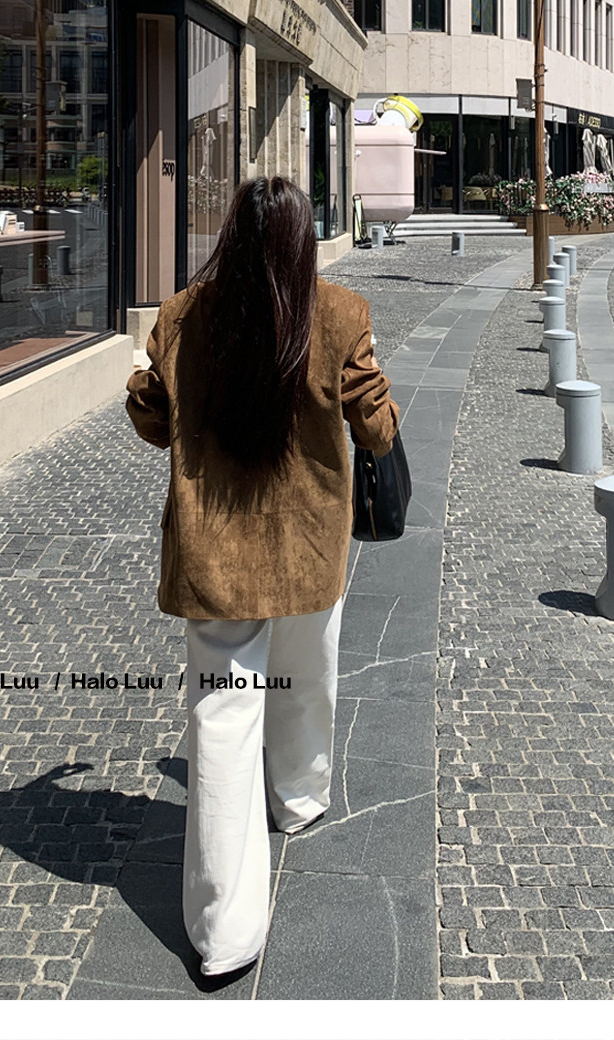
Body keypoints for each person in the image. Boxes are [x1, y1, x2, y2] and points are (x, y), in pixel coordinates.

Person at [125, 176, 399, 978]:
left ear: (232, 237)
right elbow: (375, 423)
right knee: (309, 673)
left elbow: (149, 418)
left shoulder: (183, 315)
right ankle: (300, 797)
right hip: (310, 541)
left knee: (221, 716)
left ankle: (224, 927)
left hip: (216, 549)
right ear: (304, 241)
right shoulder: (341, 312)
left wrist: (157, 380)